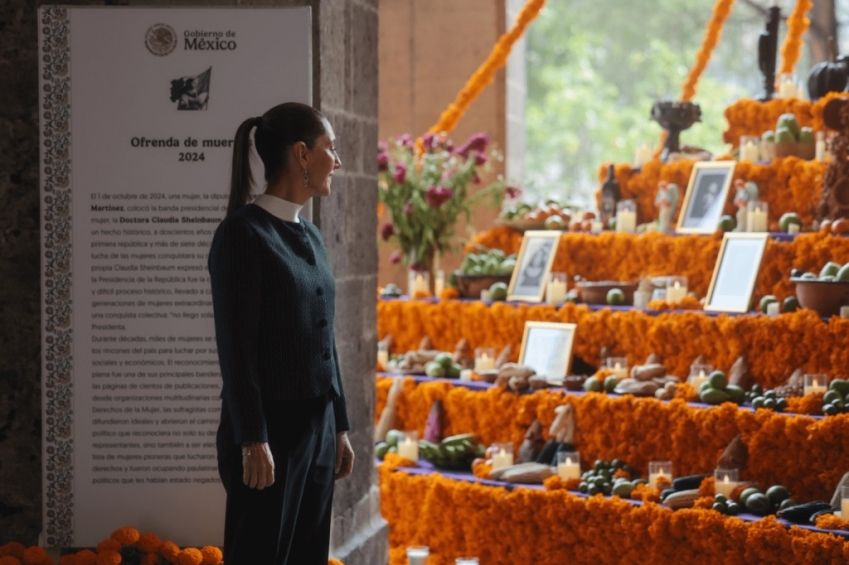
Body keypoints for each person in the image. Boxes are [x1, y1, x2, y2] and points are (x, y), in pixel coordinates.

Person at [208, 102, 355, 565]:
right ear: (301, 154)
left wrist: (341, 426)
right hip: (269, 433)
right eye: (330, 148)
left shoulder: (311, 235)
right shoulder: (241, 235)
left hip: (319, 427)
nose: (337, 160)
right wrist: (252, 437)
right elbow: (236, 349)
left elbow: (324, 336)